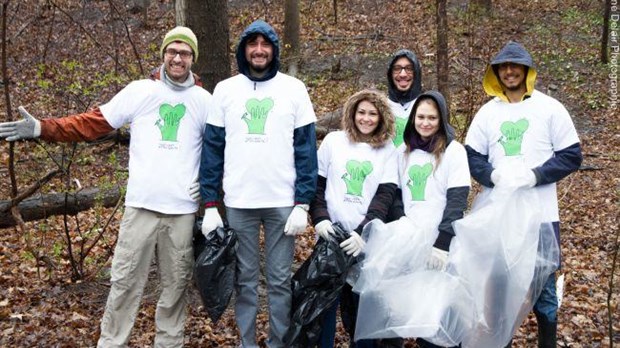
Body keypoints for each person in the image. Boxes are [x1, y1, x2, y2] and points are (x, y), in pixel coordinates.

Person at [0, 27, 210, 347]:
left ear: (193, 58)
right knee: (124, 284)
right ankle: (111, 343)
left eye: (184, 52)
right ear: (164, 54)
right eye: (172, 51)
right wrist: (43, 128)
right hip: (140, 207)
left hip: (181, 212)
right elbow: (92, 123)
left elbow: (223, 149)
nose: (177, 57)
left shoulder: (204, 101)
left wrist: (209, 187)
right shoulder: (140, 91)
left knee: (176, 289)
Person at [199, 19, 318, 348]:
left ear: (274, 49)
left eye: (265, 44)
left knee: (279, 281)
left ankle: (279, 342)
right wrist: (210, 205)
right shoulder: (225, 90)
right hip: (239, 203)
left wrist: (303, 202)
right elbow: (212, 151)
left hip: (283, 203)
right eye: (252, 44)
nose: (259, 50)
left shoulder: (294, 89)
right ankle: (247, 343)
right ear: (243, 50)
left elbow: (307, 150)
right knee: (245, 281)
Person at [464, 41, 582, 347]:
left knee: (543, 292)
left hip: (542, 216)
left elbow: (571, 155)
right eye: (503, 66)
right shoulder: (488, 113)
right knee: (499, 291)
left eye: (515, 65)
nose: (509, 71)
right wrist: (492, 175)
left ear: (527, 70)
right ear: (496, 73)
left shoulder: (549, 108)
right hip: (499, 218)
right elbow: (472, 156)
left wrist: (536, 175)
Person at [309, 89, 398, 348]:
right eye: (361, 112)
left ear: (382, 118)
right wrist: (320, 219)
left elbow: (385, 196)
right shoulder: (334, 142)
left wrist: (362, 232)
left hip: (365, 242)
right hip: (330, 239)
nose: (366, 118)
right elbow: (317, 186)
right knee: (325, 307)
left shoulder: (387, 150)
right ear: (352, 113)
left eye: (373, 113)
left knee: (361, 310)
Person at [397, 91, 470, 348]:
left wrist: (442, 244)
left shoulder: (454, 152)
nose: (425, 123)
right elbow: (397, 197)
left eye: (432, 117)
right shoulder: (404, 152)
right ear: (412, 119)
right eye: (420, 117)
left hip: (443, 244)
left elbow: (457, 201)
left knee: (443, 315)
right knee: (422, 313)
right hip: (413, 241)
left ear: (442, 119)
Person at [386, 49, 422, 147]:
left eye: (409, 68)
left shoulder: (426, 106)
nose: (403, 74)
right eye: (397, 68)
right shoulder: (380, 107)